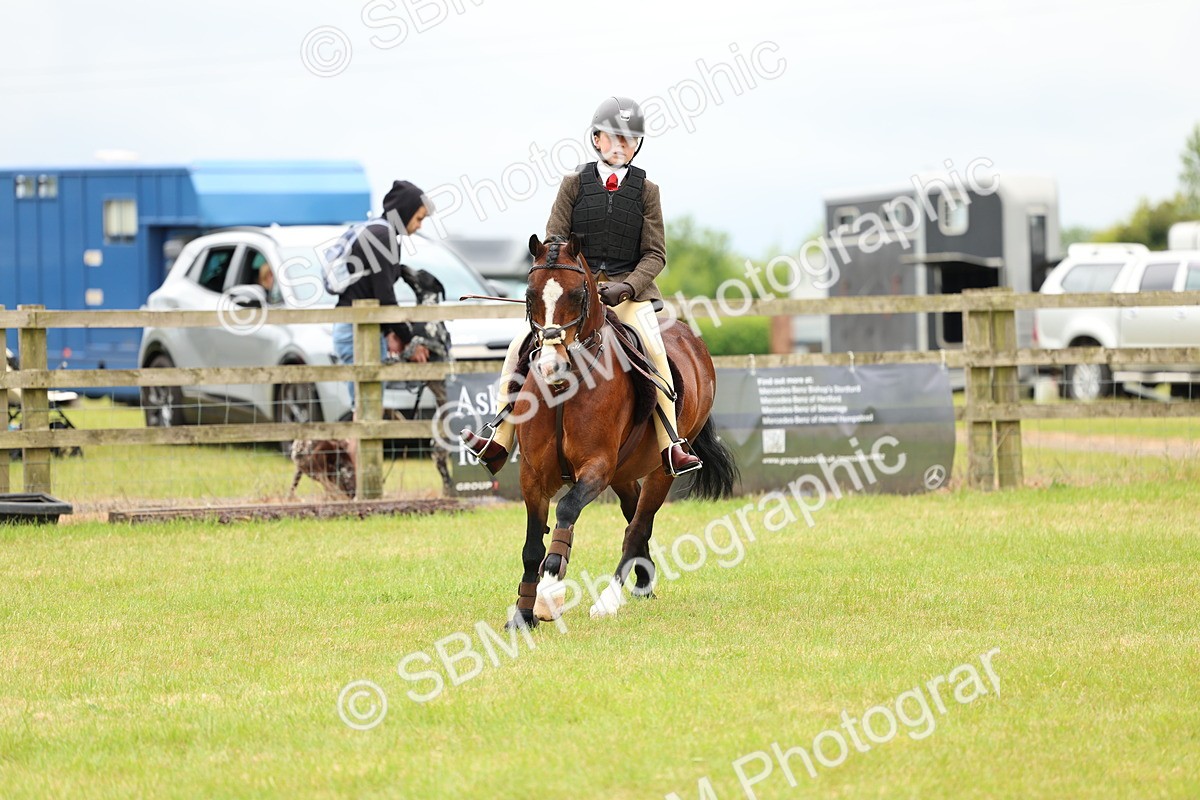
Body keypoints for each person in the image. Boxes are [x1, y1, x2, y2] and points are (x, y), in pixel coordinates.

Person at [461, 96, 702, 477]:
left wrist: (626, 287)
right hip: (575, 297)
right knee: (517, 347)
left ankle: (671, 443)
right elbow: (554, 241)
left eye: (630, 140)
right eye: (614, 138)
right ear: (596, 139)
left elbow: (655, 254)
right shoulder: (573, 184)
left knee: (655, 351)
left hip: (628, 297)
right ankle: (501, 436)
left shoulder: (647, 191)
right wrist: (577, 284)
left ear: (638, 145)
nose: (622, 145)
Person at [331, 180, 434, 407]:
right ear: (405, 212)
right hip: (358, 331)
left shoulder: (375, 230)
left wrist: (389, 332)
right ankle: (353, 443)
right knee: (367, 405)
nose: (419, 226)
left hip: (354, 327)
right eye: (419, 218)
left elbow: (372, 291)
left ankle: (352, 442)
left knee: (362, 403)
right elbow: (385, 297)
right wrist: (410, 341)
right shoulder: (383, 236)